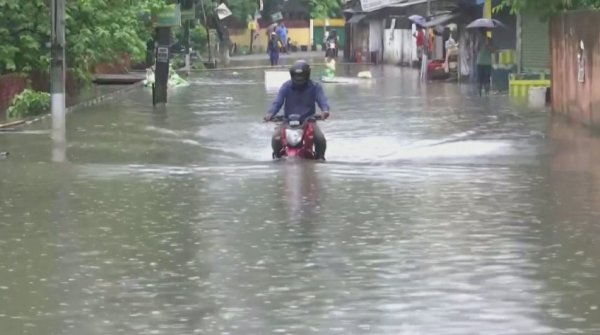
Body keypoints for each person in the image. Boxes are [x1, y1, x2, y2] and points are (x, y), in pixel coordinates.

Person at [264, 60, 331, 160]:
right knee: (275, 138)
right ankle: (277, 156)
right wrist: (270, 113)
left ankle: (321, 158)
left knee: (320, 138)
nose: (299, 79)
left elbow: (323, 100)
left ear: (307, 74)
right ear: (292, 75)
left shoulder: (315, 87)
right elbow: (277, 102)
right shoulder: (286, 86)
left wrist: (325, 111)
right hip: (287, 122)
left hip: (309, 122)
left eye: (302, 76)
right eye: (296, 76)